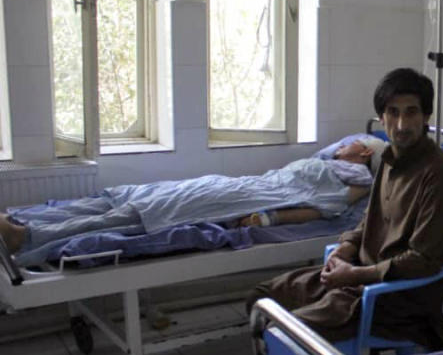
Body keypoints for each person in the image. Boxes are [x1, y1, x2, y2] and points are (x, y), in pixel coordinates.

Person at [248, 68, 443, 350]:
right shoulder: (390, 161)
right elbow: (368, 221)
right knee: (261, 299)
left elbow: (422, 261)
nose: (401, 124)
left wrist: (355, 276)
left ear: (426, 117)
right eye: (393, 112)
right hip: (357, 277)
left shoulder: (439, 175)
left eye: (411, 112)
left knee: (281, 334)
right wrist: (346, 247)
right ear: (382, 118)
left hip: (393, 301)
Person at [0, 138, 384, 263]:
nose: (340, 145)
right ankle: (20, 218)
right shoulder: (325, 161)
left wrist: (266, 220)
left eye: (351, 143)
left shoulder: (357, 180)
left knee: (131, 219)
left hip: (246, 196)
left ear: (364, 153)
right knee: (136, 198)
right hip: (238, 184)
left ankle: (28, 236)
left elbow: (321, 208)